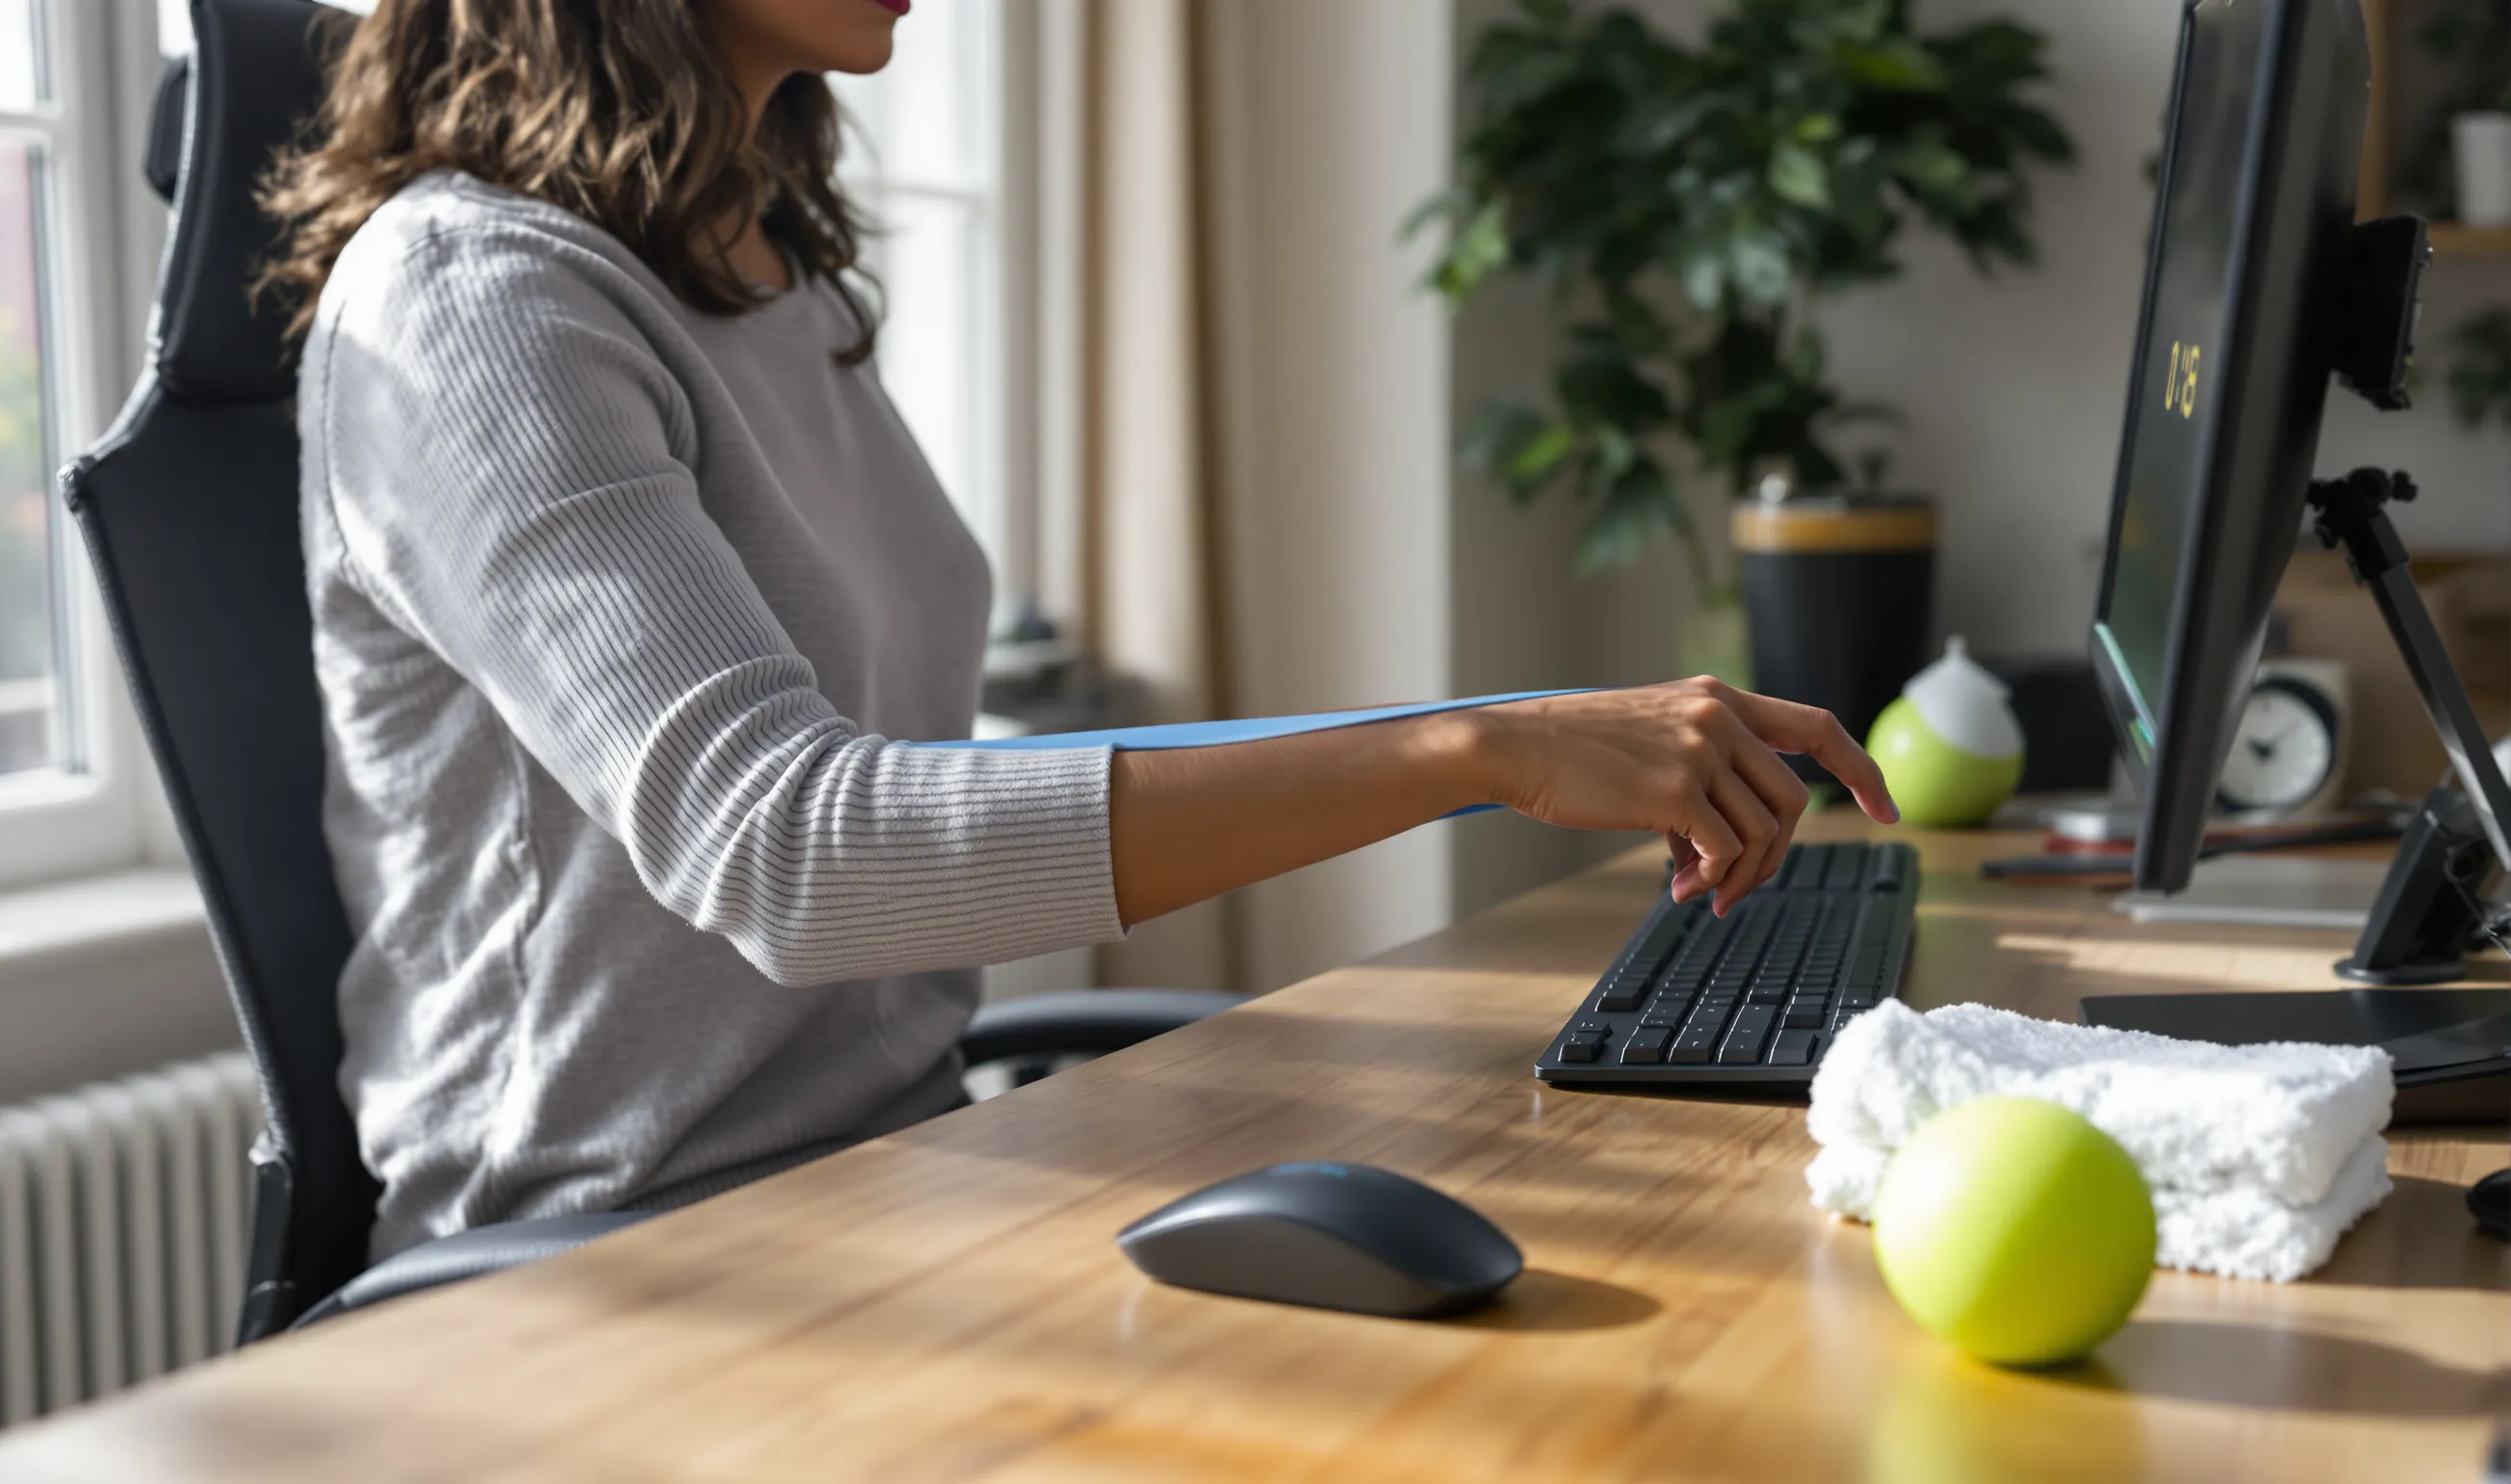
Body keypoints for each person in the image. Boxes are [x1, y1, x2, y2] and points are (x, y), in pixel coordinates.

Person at [260, 0, 1897, 1261]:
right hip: (601, 1261)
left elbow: (898, 767)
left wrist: (1528, 735)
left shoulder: (771, 276)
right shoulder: (470, 299)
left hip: (891, 1182)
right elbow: (786, 848)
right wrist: (1481, 755)